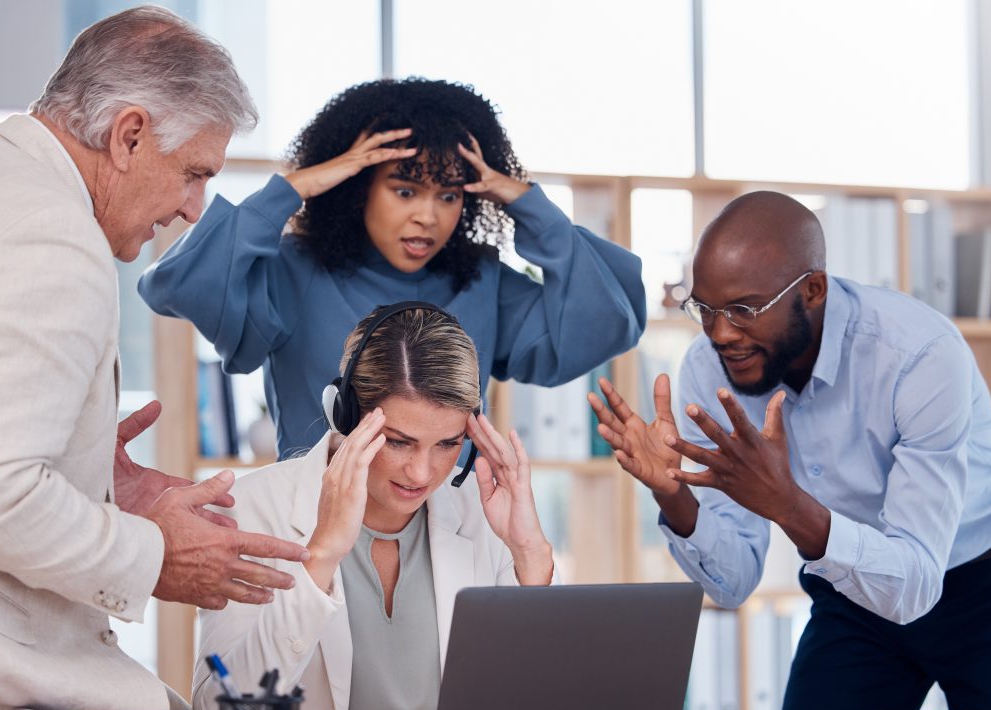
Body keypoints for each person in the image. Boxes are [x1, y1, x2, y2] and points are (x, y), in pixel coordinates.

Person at [0, 7, 311, 710]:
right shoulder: (52, 235)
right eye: (194, 173)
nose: (194, 209)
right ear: (127, 136)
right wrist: (153, 553)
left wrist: (85, 472)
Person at [590, 191, 991, 710]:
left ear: (813, 289)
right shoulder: (711, 368)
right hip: (851, 586)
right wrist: (673, 495)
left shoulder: (918, 354)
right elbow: (733, 581)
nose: (722, 333)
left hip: (989, 578)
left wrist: (787, 505)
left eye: (744, 310)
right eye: (706, 309)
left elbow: (913, 582)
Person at [137, 77, 646, 457]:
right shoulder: (293, 270)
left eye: (447, 195)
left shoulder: (481, 279)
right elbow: (176, 282)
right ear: (359, 187)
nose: (427, 215)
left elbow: (609, 321)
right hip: (314, 535)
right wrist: (295, 187)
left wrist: (528, 203)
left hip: (454, 535)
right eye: (405, 191)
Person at [193, 304, 556, 710]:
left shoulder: (483, 518)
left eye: (448, 444)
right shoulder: (249, 510)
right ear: (344, 415)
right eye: (400, 442)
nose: (422, 473)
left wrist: (530, 556)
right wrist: (321, 554)